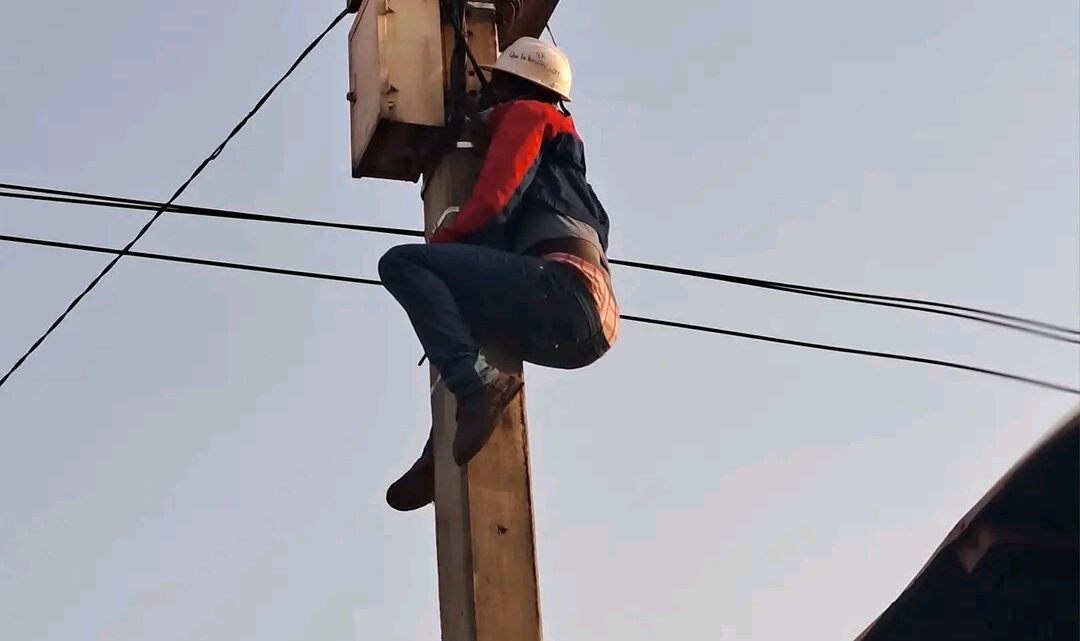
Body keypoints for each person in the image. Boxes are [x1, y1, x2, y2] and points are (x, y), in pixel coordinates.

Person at [378, 36, 618, 511]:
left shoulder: (532, 115)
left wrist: (446, 240)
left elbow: (494, 199)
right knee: (461, 326)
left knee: (404, 264)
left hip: (567, 291)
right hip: (588, 322)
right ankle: (439, 447)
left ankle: (474, 391)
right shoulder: (568, 164)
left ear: (513, 84)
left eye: (495, 86)